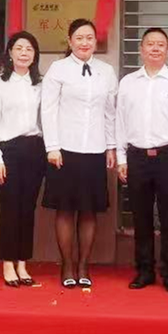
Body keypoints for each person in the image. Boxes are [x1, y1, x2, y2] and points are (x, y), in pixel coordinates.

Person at [116, 27, 168, 295]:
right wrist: (121, 157)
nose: (155, 48)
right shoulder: (128, 83)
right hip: (137, 157)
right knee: (141, 218)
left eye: (160, 44)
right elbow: (120, 122)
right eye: (150, 43)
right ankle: (144, 270)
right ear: (141, 49)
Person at [41, 18, 117, 289]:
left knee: (88, 210)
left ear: (95, 41)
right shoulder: (58, 69)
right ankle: (67, 265)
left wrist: (111, 146)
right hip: (64, 150)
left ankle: (84, 265)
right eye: (79, 38)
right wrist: (52, 146)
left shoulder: (106, 71)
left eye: (89, 38)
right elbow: (48, 109)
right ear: (70, 41)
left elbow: (110, 112)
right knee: (65, 209)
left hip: (94, 149)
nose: (85, 42)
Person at [0, 31, 45, 288]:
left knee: (28, 208)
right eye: (19, 48)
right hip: (8, 150)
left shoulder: (40, 84)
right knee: (9, 208)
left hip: (34, 149)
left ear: (35, 55)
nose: (24, 53)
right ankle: (8, 262)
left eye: (29, 49)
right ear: (10, 53)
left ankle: (22, 262)